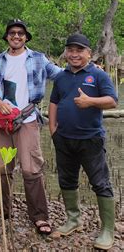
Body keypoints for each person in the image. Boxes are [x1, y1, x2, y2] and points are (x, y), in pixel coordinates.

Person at [0, 19, 61, 235]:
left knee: (31, 168)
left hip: (27, 119)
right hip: (2, 121)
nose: (16, 36)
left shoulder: (37, 58)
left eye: (20, 33)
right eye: (12, 33)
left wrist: (83, 70)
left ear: (26, 37)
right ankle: (3, 208)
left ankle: (39, 215)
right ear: (7, 36)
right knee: (3, 167)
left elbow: (59, 75)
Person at [49, 33, 117, 250]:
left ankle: (107, 230)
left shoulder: (98, 76)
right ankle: (73, 219)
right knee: (67, 180)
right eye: (71, 50)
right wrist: (53, 130)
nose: (74, 54)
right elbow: (54, 102)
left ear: (89, 53)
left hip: (91, 139)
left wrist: (90, 102)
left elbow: (112, 101)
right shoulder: (61, 77)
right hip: (64, 138)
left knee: (101, 183)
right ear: (66, 53)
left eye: (79, 50)